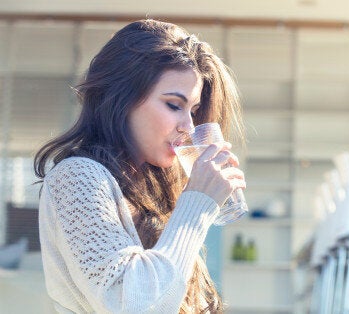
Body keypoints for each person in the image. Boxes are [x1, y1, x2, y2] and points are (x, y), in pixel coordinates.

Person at [34, 19, 246, 313]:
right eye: (174, 105)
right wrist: (198, 202)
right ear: (123, 98)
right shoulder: (77, 177)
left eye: (194, 111)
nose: (188, 126)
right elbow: (133, 304)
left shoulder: (150, 188)